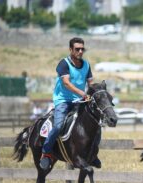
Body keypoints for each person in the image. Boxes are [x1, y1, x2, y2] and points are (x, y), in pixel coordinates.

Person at [40, 37, 102, 170]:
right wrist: (83, 94)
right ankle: (46, 153)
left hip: (79, 101)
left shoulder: (86, 65)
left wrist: (95, 93)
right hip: (63, 101)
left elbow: (90, 83)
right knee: (57, 126)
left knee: (96, 124)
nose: (80, 51)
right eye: (77, 49)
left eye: (82, 49)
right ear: (70, 50)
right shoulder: (63, 64)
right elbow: (66, 83)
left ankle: (93, 155)